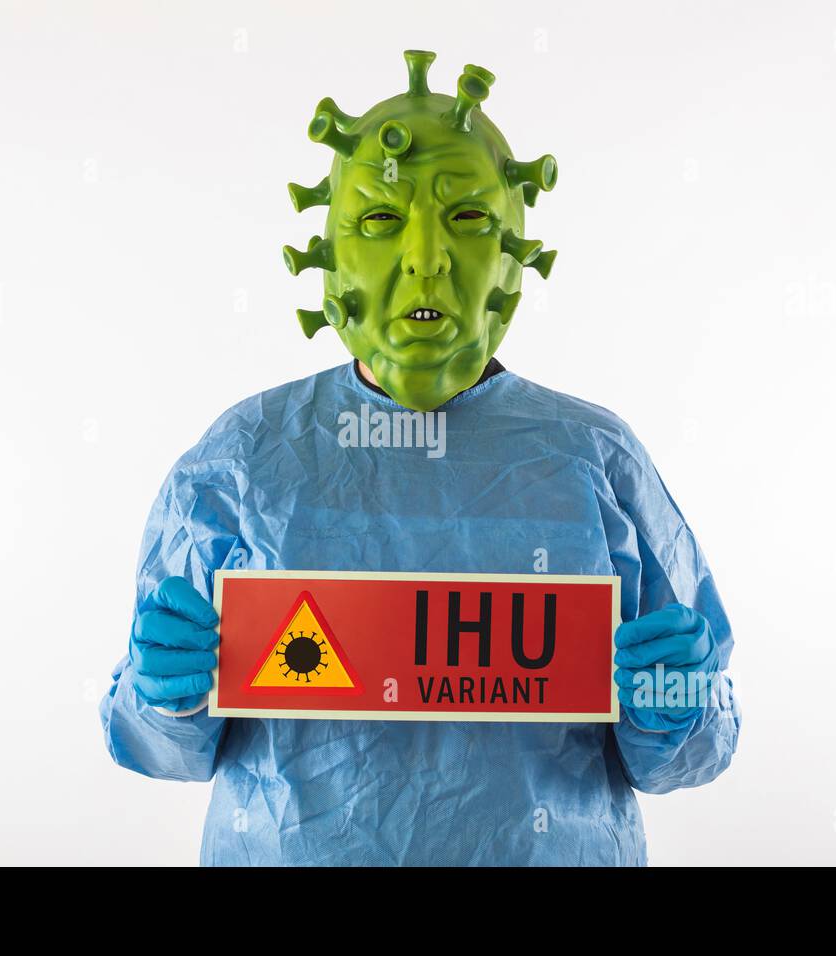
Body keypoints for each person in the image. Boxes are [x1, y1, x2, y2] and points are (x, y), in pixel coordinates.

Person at [100, 50, 740, 865]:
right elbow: (159, 747)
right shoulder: (241, 463)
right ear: (327, 250)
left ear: (514, 252)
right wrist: (165, 700)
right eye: (379, 220)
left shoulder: (596, 460)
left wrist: (674, 704)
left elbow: (691, 749)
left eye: (468, 218)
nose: (427, 256)